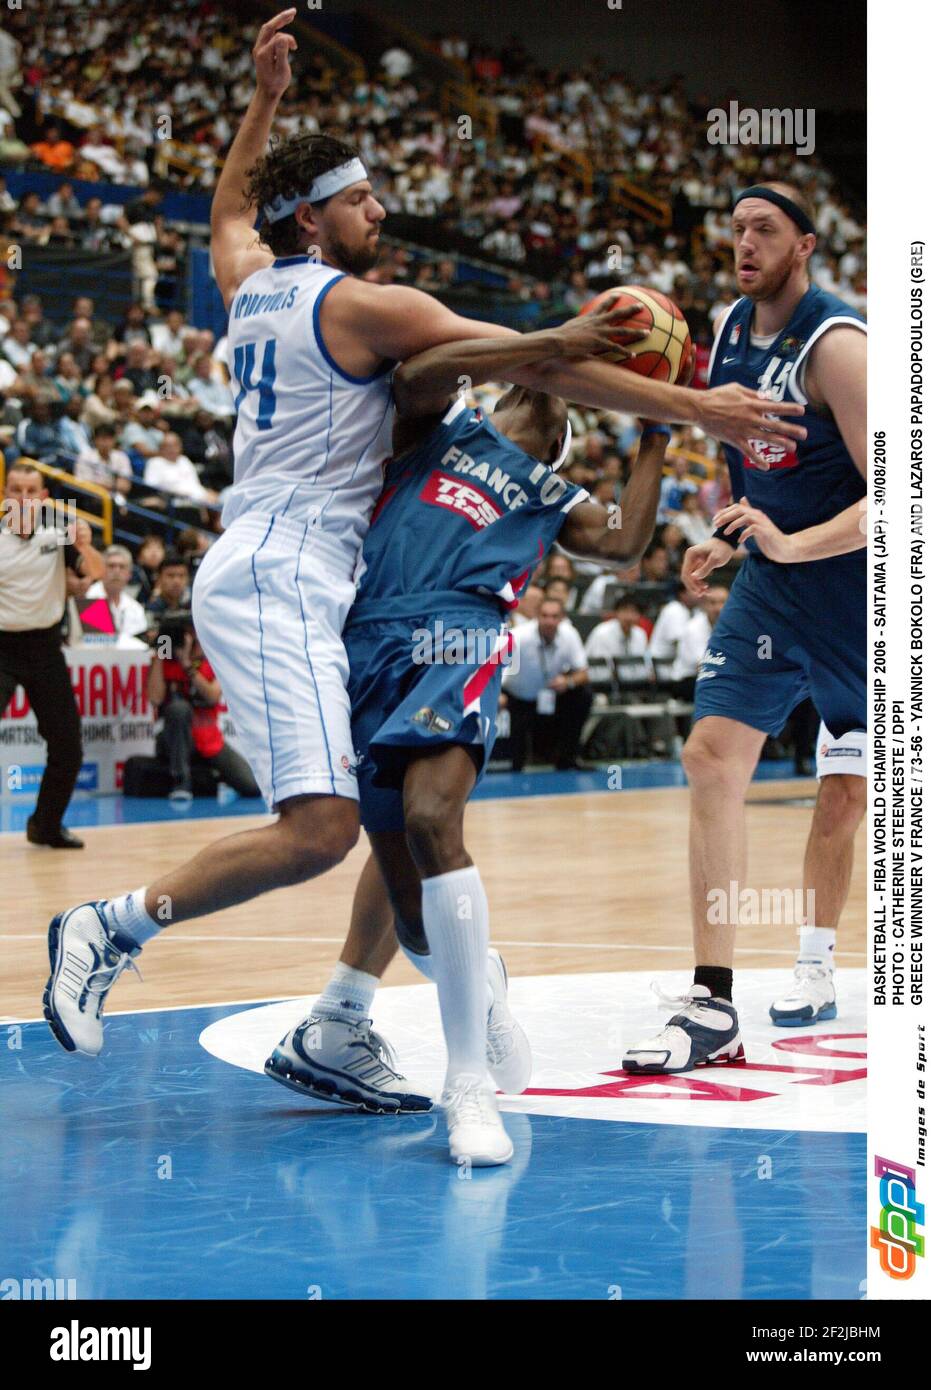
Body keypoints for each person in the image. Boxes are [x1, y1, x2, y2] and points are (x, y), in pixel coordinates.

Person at [43, 10, 804, 1097]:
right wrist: (692, 406)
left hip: (296, 573)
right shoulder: (363, 305)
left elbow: (224, 207)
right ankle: (108, 928)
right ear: (312, 213)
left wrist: (262, 99)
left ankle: (341, 1021)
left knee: (390, 809)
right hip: (284, 571)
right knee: (320, 830)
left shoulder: (246, 280)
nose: (381, 210)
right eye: (361, 197)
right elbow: (543, 365)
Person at [264, 325, 674, 1163]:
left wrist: (656, 425)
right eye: (530, 385)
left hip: (462, 637)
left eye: (552, 402)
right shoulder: (435, 425)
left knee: (430, 816)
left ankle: (467, 1086)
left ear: (562, 438)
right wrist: (549, 342)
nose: (539, 398)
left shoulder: (548, 490)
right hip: (369, 640)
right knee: (406, 893)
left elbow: (628, 541)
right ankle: (476, 985)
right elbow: (418, 366)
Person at [623, 181, 866, 1075]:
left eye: (763, 229)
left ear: (805, 245)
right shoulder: (728, 328)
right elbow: (755, 473)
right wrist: (730, 536)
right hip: (776, 580)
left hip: (867, 594)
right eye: (735, 230)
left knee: (857, 795)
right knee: (710, 755)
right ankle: (714, 1000)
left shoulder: (836, 347)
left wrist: (793, 543)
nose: (744, 243)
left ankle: (831, 961)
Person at [0, 462, 104, 848]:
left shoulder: (58, 537)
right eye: (16, 490)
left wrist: (85, 546)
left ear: (43, 498)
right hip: (3, 648)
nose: (23, 498)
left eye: (31, 491)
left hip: (45, 648)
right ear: (5, 495)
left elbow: (93, 576)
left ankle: (45, 826)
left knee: (68, 747)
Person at [148, 611, 260, 801]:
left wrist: (186, 665)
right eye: (185, 633)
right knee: (178, 708)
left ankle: (212, 774)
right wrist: (161, 652)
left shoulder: (212, 659)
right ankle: (181, 782)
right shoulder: (164, 662)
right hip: (172, 740)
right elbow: (155, 699)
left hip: (208, 739)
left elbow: (213, 697)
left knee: (251, 787)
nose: (189, 638)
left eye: (192, 632)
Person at [504, 596, 592, 772]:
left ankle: (568, 759)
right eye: (545, 616)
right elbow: (496, 669)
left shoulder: (569, 634)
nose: (549, 621)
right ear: (537, 616)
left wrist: (568, 681)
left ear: (562, 618)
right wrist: (498, 695)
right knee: (516, 764)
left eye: (554, 616)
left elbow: (584, 673)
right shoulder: (519, 637)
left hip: (551, 695)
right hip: (519, 698)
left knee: (583, 694)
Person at [84, 545, 148, 645]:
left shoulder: (136, 608)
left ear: (129, 574)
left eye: (122, 567)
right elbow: (97, 642)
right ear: (101, 570)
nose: (117, 571)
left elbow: (141, 643)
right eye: (111, 566)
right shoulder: (88, 599)